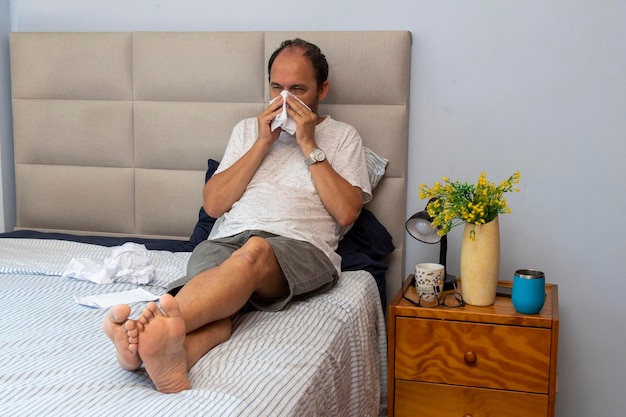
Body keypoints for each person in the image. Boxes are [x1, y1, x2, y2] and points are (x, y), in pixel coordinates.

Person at [103, 38, 372, 394]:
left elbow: (346, 211)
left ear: (322, 89)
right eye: (277, 88)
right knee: (220, 307)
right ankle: (168, 358)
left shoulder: (342, 137)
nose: (285, 99)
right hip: (226, 240)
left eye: (298, 89)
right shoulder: (248, 130)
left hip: (299, 248)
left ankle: (147, 326)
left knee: (255, 252)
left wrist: (309, 143)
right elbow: (214, 205)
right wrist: (263, 143)